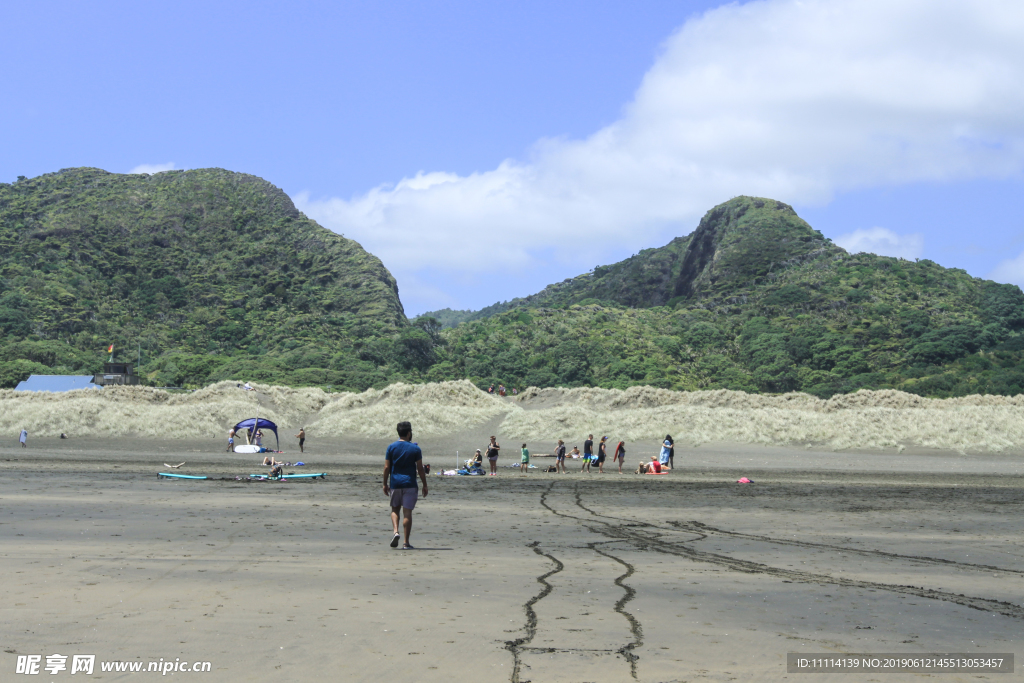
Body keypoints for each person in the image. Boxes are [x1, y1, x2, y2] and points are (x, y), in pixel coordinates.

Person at [383, 421, 428, 550]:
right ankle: (406, 543)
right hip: (410, 484)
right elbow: (420, 469)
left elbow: (387, 467)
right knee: (407, 513)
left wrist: (384, 483)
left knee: (394, 509)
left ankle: (396, 532)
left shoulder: (391, 447)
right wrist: (425, 484)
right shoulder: (415, 448)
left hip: (395, 483)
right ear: (409, 433)